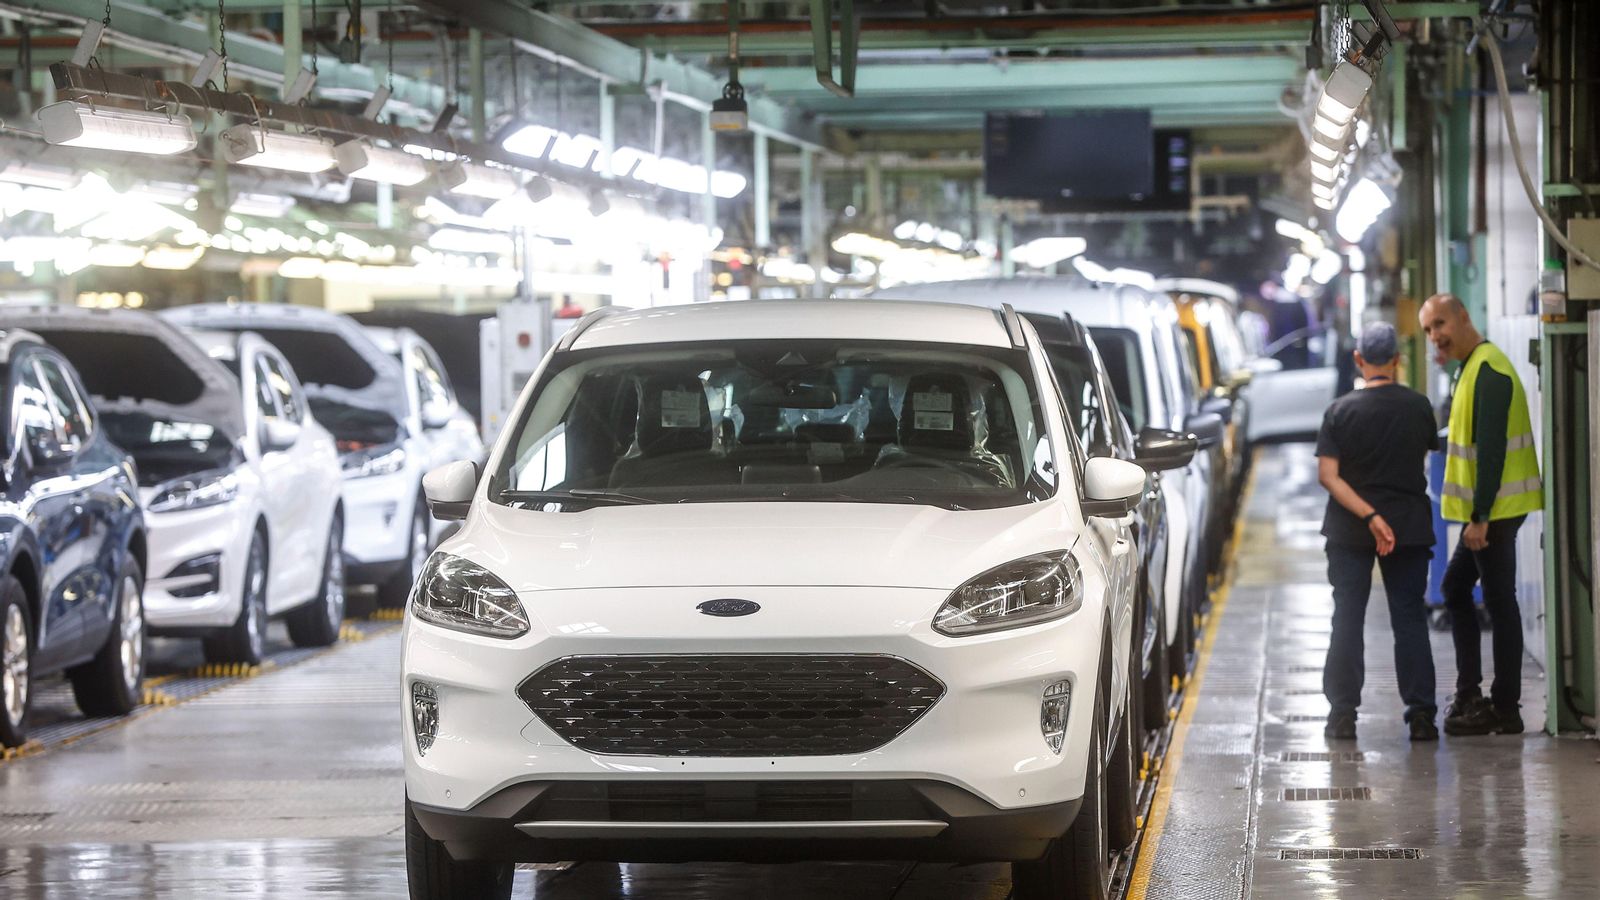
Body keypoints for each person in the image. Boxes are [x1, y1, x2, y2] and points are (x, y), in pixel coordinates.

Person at [1418, 293, 1542, 736]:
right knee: (1459, 589)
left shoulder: (1489, 370)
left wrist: (1481, 517)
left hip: (1497, 512)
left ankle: (1503, 707)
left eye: (1440, 325)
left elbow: (1490, 452)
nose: (1436, 336)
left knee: (1497, 601)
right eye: (1429, 330)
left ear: (1463, 316)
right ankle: (1475, 693)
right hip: (1493, 510)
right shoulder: (1471, 369)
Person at [1315, 322, 1440, 741]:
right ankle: (1422, 715)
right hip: (1408, 526)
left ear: (1358, 360)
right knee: (1409, 618)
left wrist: (1369, 516)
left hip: (1350, 530)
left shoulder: (1340, 411)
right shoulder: (1420, 406)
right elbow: (1418, 456)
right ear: (1397, 359)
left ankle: (1342, 715)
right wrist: (1385, 514)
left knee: (1347, 617)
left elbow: (1328, 476)